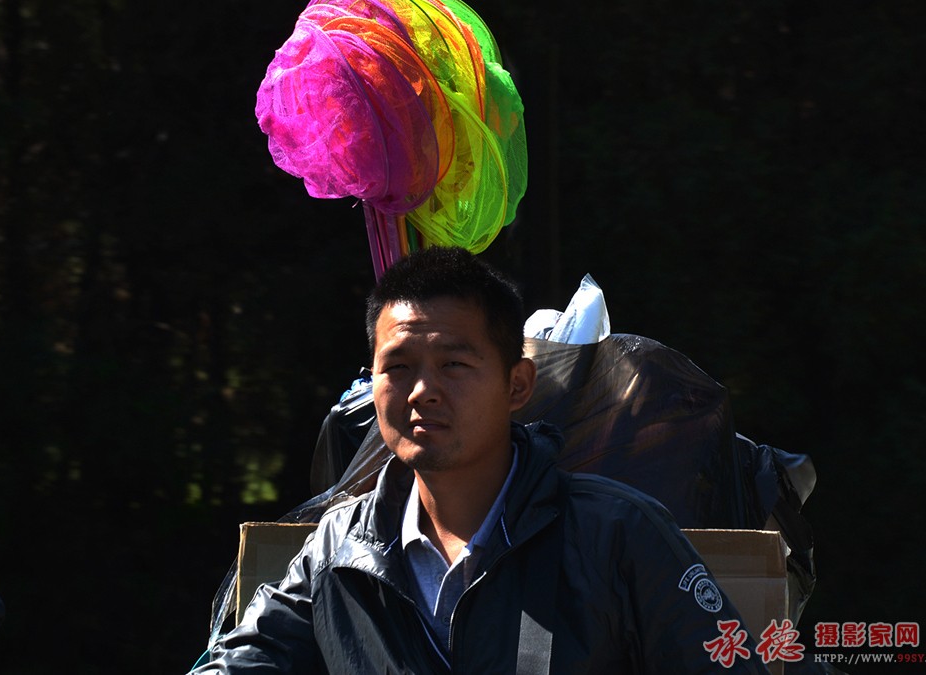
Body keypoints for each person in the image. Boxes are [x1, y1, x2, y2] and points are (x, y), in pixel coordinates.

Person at [194, 247, 768, 673]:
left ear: (518, 385)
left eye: (454, 364)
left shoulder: (617, 535)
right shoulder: (339, 550)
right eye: (398, 367)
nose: (422, 391)